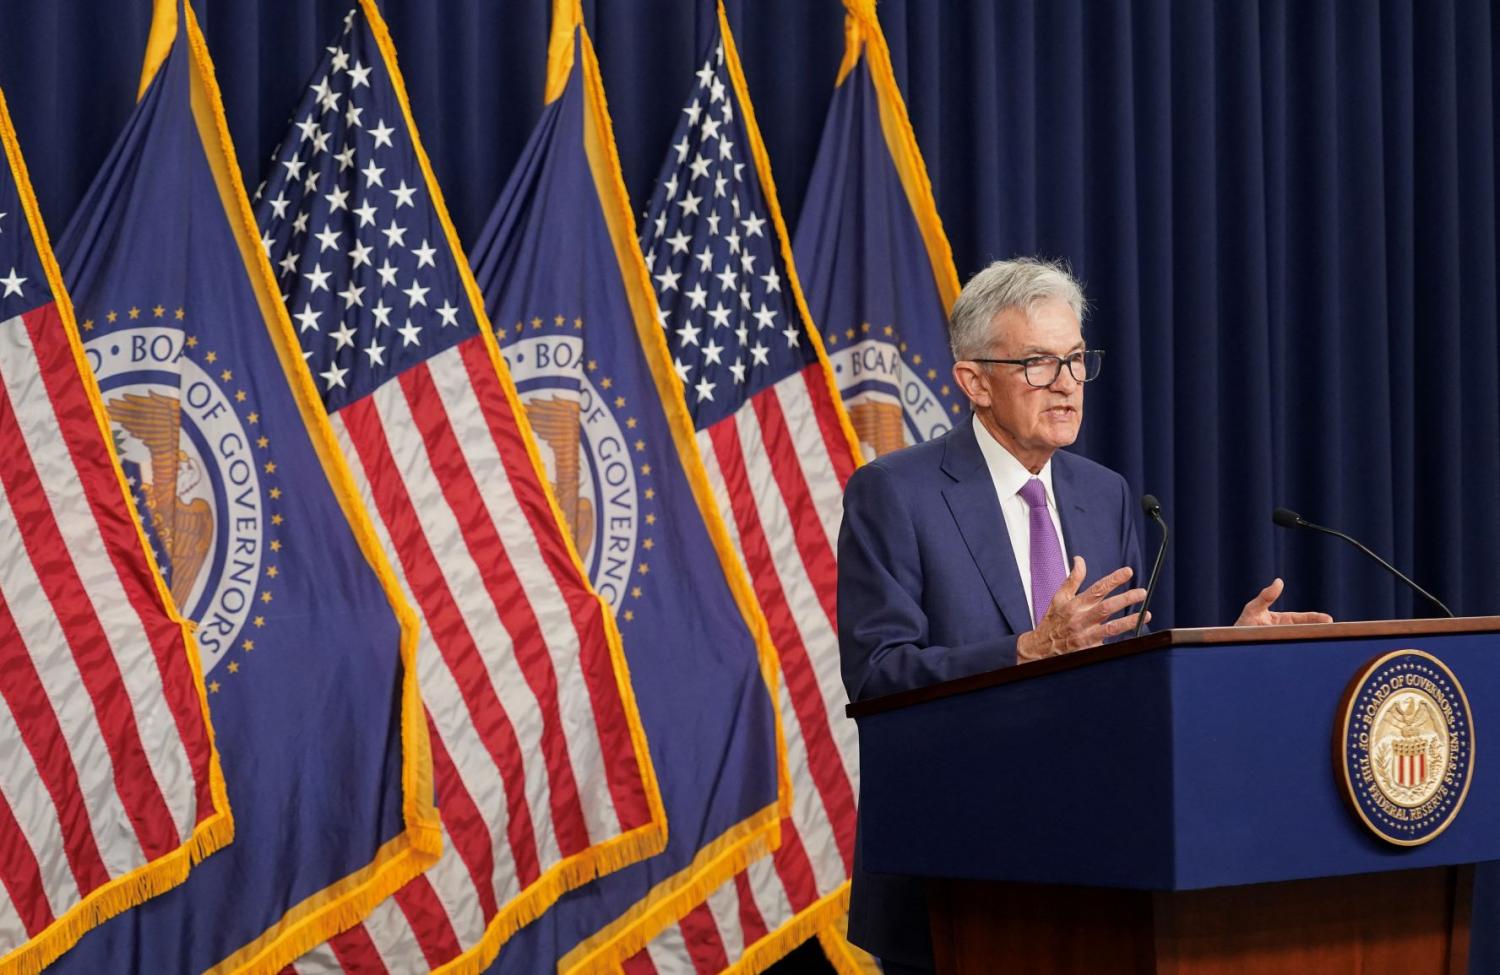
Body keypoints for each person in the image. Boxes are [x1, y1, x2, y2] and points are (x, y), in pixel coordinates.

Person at [836, 257, 1330, 971]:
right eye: (1037, 363)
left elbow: (1121, 680)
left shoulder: (1106, 495)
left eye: (1074, 359)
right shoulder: (895, 494)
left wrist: (1224, 653)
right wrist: (1026, 651)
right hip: (957, 877)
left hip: (1100, 871)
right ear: (974, 380)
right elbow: (879, 675)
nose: (1067, 383)